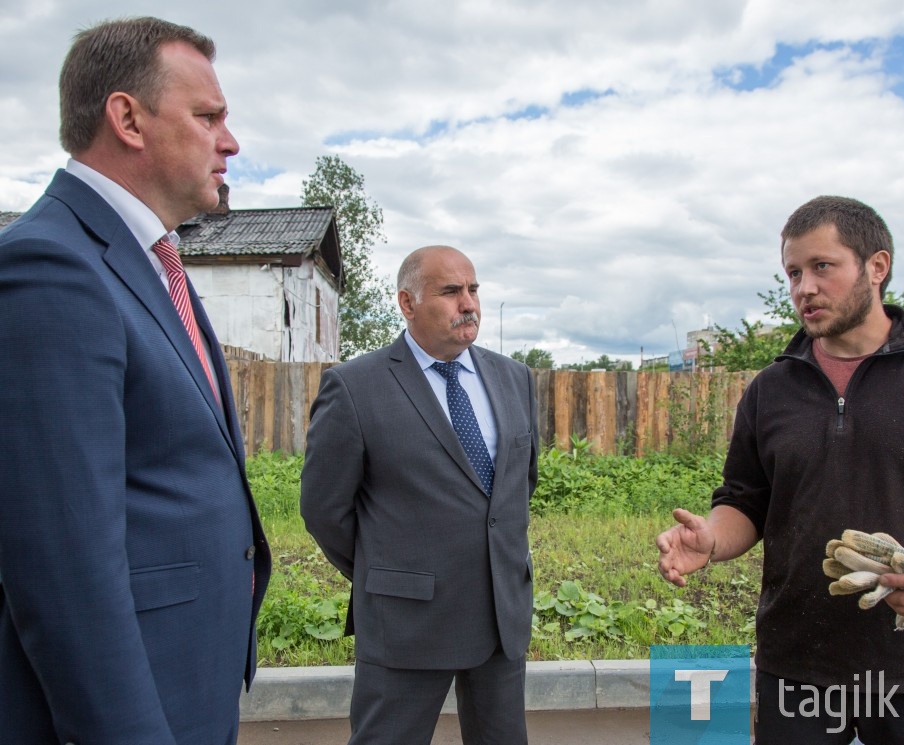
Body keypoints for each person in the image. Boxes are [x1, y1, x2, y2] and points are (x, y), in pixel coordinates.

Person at [0, 17, 270, 745]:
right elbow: (64, 575)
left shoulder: (151, 261)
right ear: (127, 118)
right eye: (208, 116)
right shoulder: (51, 269)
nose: (230, 141)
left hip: (187, 683)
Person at [656, 195, 904, 744]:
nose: (803, 288)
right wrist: (713, 539)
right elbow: (746, 499)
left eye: (822, 267)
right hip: (795, 665)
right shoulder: (772, 389)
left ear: (876, 266)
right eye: (793, 272)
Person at [301, 245, 538, 744]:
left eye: (473, 289)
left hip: (501, 618)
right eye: (451, 291)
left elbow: (516, 490)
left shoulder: (514, 378)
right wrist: (387, 569)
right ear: (407, 303)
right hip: (406, 622)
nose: (468, 303)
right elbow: (325, 510)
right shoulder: (354, 386)